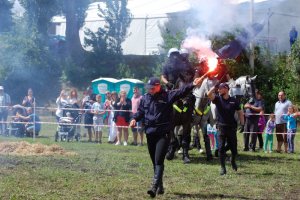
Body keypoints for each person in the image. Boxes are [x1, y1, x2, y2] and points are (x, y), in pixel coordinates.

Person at [129, 72, 210, 197]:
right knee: (154, 162)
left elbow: (182, 91)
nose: (149, 90)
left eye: (151, 88)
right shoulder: (145, 98)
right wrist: (134, 118)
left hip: (163, 134)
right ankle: (160, 186)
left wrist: (193, 84)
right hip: (150, 134)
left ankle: (154, 187)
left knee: (159, 160)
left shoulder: (168, 96)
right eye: (148, 88)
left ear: (158, 86)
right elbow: (140, 111)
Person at [207, 82, 244, 176]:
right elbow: (208, 94)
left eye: (220, 88)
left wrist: (242, 124)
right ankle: (223, 167)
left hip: (231, 128)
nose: (219, 90)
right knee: (221, 148)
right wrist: (214, 87)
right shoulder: (218, 99)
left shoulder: (234, 100)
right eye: (218, 88)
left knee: (234, 150)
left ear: (226, 89)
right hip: (221, 128)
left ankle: (232, 160)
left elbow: (240, 112)